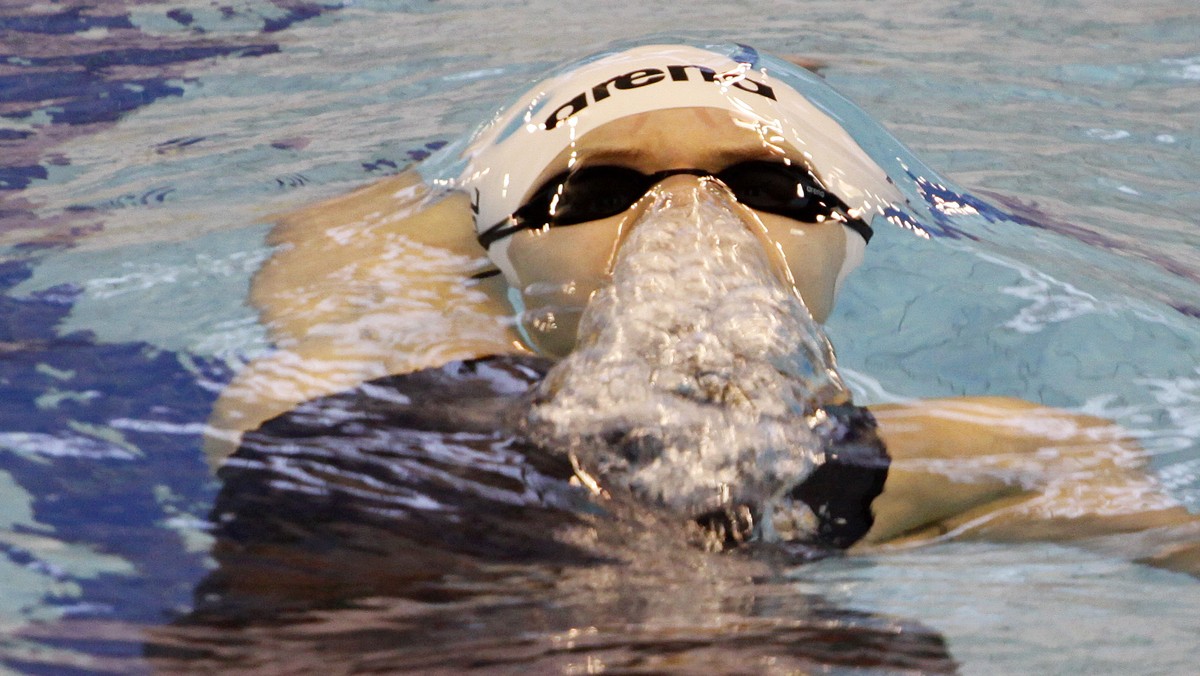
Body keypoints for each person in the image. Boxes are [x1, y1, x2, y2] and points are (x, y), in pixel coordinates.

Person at [207, 43, 1200, 573]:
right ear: (492, 246)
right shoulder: (358, 390)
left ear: (853, 241)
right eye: (593, 194)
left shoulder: (1030, 456)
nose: (692, 219)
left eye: (770, 186)